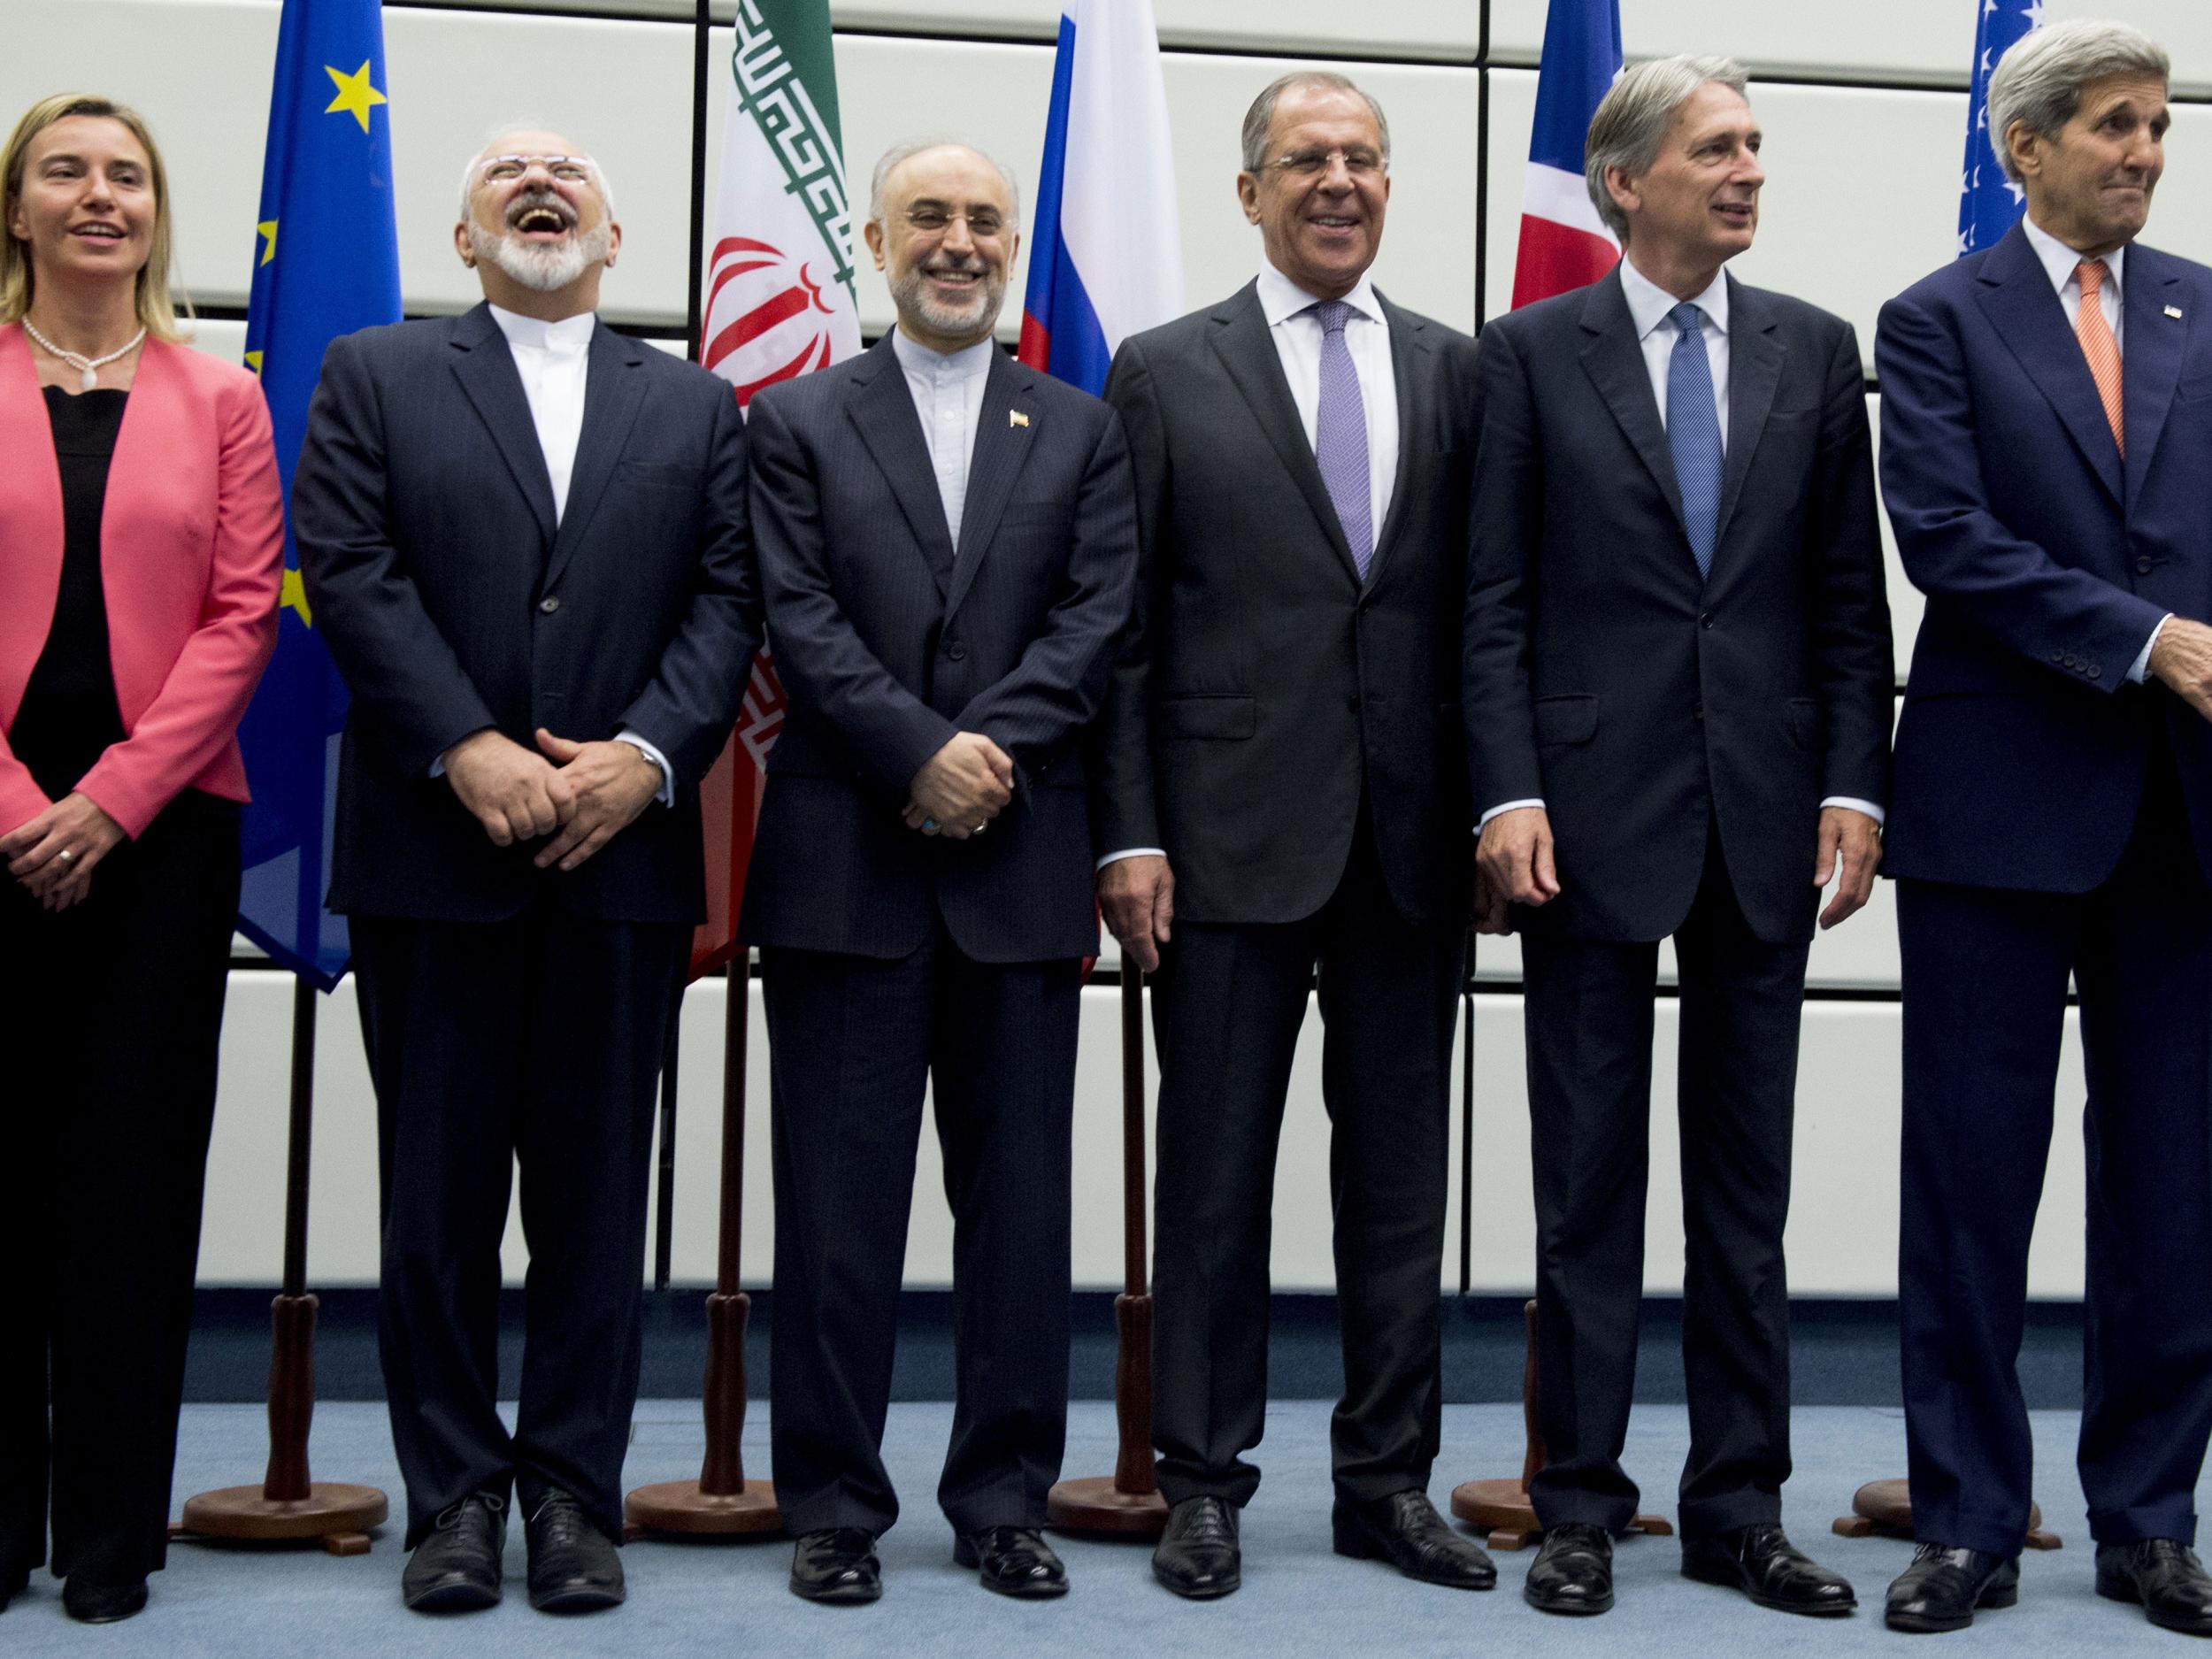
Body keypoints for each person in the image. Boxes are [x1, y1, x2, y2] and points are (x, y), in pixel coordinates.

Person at [293, 130, 759, 1616]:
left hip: (622, 862)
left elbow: (729, 596)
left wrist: (643, 758)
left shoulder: (693, 401)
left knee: (595, 1201)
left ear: (616, 239)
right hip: (434, 854)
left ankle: (570, 1498)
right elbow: (347, 569)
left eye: (569, 176)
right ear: (464, 231)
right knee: (432, 1206)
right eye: (509, 176)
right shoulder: (375, 374)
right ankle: (452, 1502)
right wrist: (467, 749)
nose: (540, 188)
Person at [1464, 56, 1892, 1618]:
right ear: (1624, 181)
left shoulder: (1812, 347)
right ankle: (1580, 1503)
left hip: (1769, 818)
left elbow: (1850, 602)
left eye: (1759, 148)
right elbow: (1492, 600)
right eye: (1718, 148)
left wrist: (1859, 784)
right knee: (1585, 1187)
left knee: (1744, 1191)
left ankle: (1738, 1507)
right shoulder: (1528, 356)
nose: (1750, 172)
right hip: (1581, 820)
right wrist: (1504, 794)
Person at [1095, 72, 1490, 1601]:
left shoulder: (1461, 373)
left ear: (1390, 189)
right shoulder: (1164, 369)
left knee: (1400, 1188)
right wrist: (1126, 834)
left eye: (1364, 161)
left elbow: (1482, 619)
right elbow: (1123, 638)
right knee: (1213, 1183)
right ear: (1250, 192)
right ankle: (1205, 1480)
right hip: (1220, 844)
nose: (1339, 183)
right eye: (1306, 162)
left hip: (1410, 848)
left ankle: (1386, 1482)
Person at [741, 139, 1137, 1607]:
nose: (959, 242)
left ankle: (1001, 1499)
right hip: (849, 864)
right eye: (931, 218)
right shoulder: (794, 417)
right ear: (876, 238)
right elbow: (795, 612)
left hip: (1022, 869)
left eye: (983, 219)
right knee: (838, 1218)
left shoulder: (1083, 426)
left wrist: (987, 750)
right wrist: (917, 750)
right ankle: (835, 1504)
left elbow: (1099, 614)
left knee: (1021, 1218)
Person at [1876, 19, 2212, 1638]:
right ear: (2025, 146)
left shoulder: (2210, 311)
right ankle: (1966, 1521)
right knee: (1970, 1185)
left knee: (2174, 1190)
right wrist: (2150, 638)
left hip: (2187, 818)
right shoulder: (1936, 321)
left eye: (2158, 126)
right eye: (2112, 126)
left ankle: (2151, 1520)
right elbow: (1946, 538)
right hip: (1996, 809)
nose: (2145, 151)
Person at [0, 94, 282, 1624]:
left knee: (130, 1178)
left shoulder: (219, 395)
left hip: (164, 836)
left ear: (154, 215)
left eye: (127, 176)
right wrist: (17, 809)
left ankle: (111, 1535)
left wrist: (107, 802)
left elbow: (245, 618)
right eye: (68, 173)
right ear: (19, 209)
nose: (101, 197)